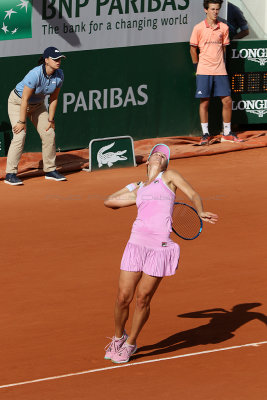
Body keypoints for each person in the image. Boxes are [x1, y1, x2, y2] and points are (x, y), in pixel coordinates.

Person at [104, 143, 218, 363]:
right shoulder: (140, 189)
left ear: (166, 163)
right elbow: (109, 201)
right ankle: (118, 337)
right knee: (122, 297)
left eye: (162, 156)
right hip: (136, 244)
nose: (158, 156)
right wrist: (134, 185)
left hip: (160, 248)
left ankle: (131, 343)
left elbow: (193, 193)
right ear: (147, 161)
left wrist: (201, 209)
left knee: (143, 299)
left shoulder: (169, 177)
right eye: (154, 154)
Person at [4, 46, 67, 185]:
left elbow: (54, 99)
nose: (58, 61)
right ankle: (10, 174)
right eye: (55, 59)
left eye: (60, 59)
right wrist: (21, 121)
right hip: (18, 102)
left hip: (38, 106)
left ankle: (50, 170)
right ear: (46, 60)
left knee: (49, 133)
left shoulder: (59, 74)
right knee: (20, 135)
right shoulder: (35, 74)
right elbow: (24, 99)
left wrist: (51, 119)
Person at [190, 0, 244, 145]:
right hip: (203, 71)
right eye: (212, 9)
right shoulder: (198, 28)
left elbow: (224, 49)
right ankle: (205, 134)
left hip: (220, 70)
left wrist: (223, 65)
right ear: (206, 10)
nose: (215, 12)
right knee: (205, 102)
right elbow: (193, 49)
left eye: (217, 9)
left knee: (227, 101)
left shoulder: (224, 28)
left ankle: (226, 133)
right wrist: (197, 69)